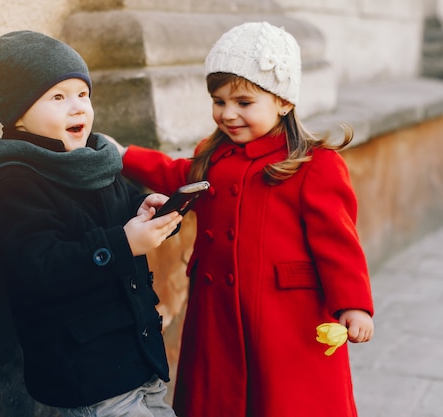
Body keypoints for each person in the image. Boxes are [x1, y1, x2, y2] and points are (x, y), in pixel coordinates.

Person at [115, 21, 375, 417]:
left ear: (284, 102)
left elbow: (339, 244)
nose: (228, 114)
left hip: (285, 319)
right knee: (219, 399)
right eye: (219, 101)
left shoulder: (312, 165)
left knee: (284, 402)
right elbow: (175, 174)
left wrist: (353, 305)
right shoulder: (213, 155)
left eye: (243, 102)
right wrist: (123, 155)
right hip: (216, 312)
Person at [0, 30, 182, 417]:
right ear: (17, 115)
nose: (77, 108)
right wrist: (124, 244)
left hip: (139, 358)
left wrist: (146, 207)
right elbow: (42, 265)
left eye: (82, 94)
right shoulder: (19, 184)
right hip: (93, 373)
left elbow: (121, 208)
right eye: (57, 97)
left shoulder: (96, 161)